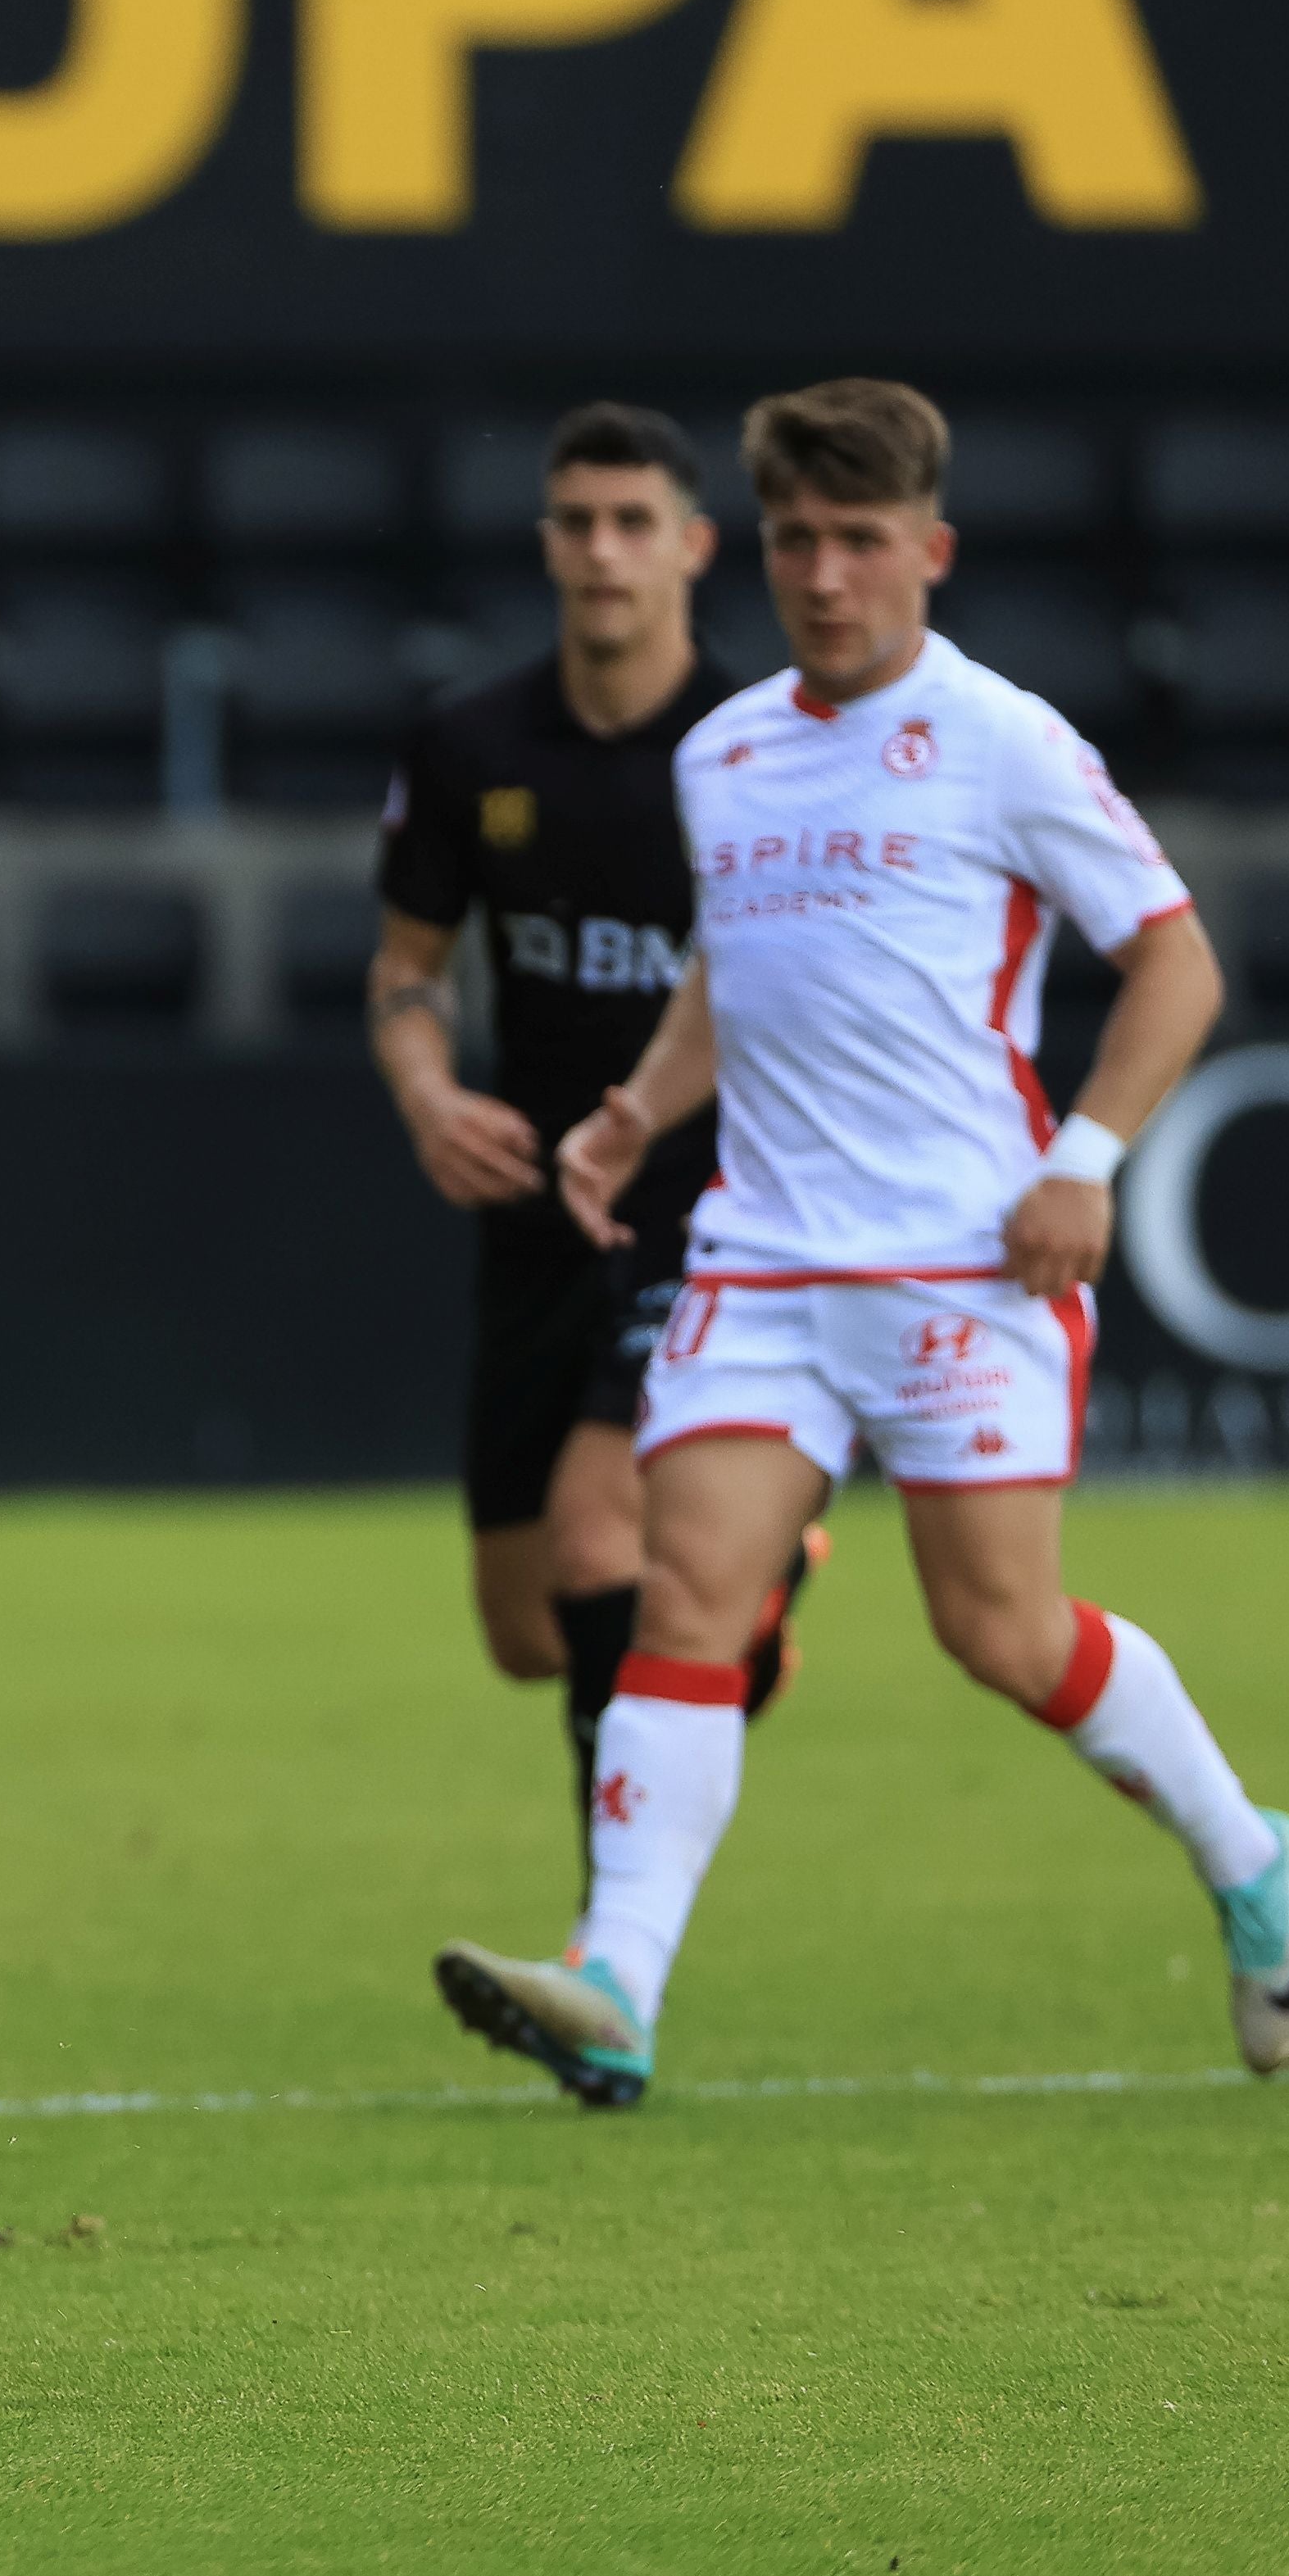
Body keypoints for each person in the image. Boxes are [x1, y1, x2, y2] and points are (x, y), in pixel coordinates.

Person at [434, 379, 1289, 2105]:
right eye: (796, 541)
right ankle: (619, 1975)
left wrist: (1085, 1156)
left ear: (931, 549)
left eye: (857, 541)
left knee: (1003, 1631)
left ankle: (1247, 1850)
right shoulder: (727, 748)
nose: (824, 575)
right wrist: (633, 1109)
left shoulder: (1007, 740)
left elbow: (1177, 962)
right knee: (683, 1591)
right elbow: (740, 969)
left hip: (963, 1264)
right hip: (762, 1256)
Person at [370, 404, 815, 1875]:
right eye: (577, 520)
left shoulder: (760, 753)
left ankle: (609, 1945)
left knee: (589, 1544)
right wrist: (431, 1097)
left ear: (693, 546)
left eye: (634, 521)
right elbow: (405, 977)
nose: (603, 549)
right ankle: (751, 1589)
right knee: (525, 1629)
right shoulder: (466, 744)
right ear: (547, 541)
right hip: (530, 1221)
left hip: (711, 1217)